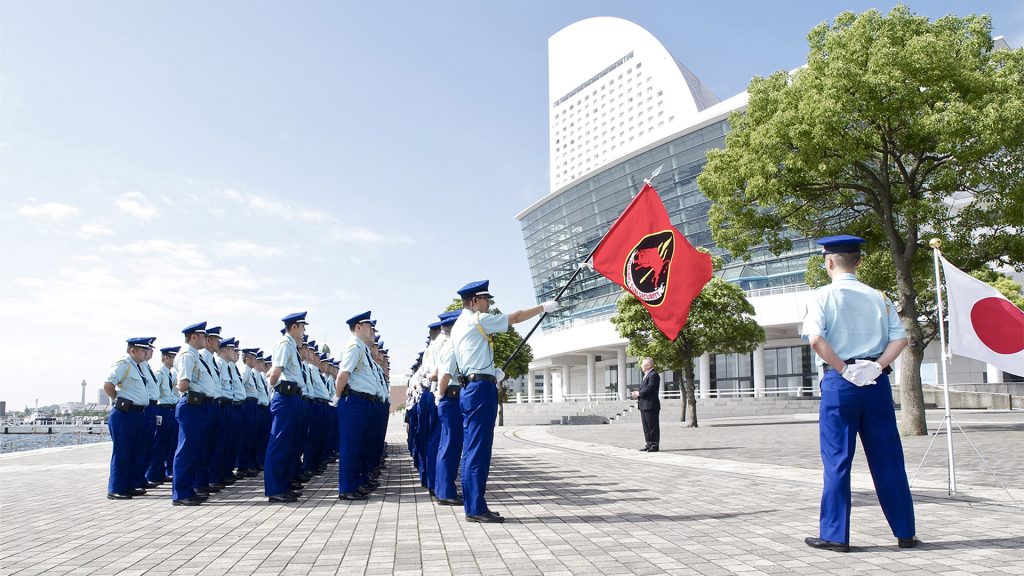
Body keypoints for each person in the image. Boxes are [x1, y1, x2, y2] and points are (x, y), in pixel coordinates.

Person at [801, 234, 917, 552]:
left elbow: (815, 339)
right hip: (876, 382)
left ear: (828, 262)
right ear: (859, 261)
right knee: (889, 459)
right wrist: (877, 367)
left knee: (837, 460)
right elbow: (901, 339)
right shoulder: (880, 297)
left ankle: (836, 535)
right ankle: (905, 532)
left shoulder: (820, 296)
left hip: (841, 383)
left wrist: (843, 369)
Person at [441, 280, 557, 523]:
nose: (488, 305)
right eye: (486, 300)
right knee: (478, 449)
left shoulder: (460, 325)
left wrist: (491, 372)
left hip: (473, 386)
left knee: (473, 448)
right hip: (480, 389)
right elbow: (515, 317)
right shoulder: (477, 320)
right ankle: (475, 508)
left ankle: (474, 505)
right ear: (474, 301)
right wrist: (542, 308)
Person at [265, 312, 309, 503]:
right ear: (294, 327)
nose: (304, 331)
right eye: (302, 327)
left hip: (293, 398)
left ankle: (284, 485)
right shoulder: (284, 344)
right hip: (285, 397)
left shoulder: (291, 346)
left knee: (289, 445)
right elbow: (275, 372)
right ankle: (275, 489)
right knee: (280, 443)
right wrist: (272, 392)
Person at [335, 311, 379, 501]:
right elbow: (343, 375)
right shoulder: (354, 346)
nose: (371, 330)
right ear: (358, 327)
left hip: (363, 402)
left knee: (360, 445)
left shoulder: (362, 348)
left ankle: (356, 483)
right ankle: (347, 488)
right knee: (351, 446)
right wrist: (337, 397)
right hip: (354, 401)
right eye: (369, 326)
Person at [103, 337, 153, 499]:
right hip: (124, 413)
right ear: (133, 350)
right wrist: (117, 400)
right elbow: (108, 385)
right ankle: (116, 488)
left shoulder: (137, 367)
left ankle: (129, 485)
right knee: (122, 452)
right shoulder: (123, 364)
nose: (146, 353)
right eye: (143, 350)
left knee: (135, 452)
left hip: (138, 413)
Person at [171, 322, 211, 506]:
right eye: (203, 336)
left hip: (199, 405)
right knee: (186, 450)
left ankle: (189, 489)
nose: (206, 339)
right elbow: (183, 384)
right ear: (194, 336)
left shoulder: (195, 355)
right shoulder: (187, 355)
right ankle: (181, 494)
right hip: (192, 405)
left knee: (194, 450)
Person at [433, 311, 463, 505]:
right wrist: (440, 393)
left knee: (447, 446)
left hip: (450, 399)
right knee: (451, 446)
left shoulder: (448, 345)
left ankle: (443, 489)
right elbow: (444, 375)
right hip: (450, 399)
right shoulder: (452, 346)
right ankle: (446, 492)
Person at [147, 346, 180, 485]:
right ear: (165, 358)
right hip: (162, 409)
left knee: (169, 443)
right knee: (159, 443)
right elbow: (154, 393)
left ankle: (164, 472)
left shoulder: (170, 373)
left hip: (171, 409)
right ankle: (153, 474)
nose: (174, 360)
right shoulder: (159, 373)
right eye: (172, 357)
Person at [631, 357, 661, 452]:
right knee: (646, 427)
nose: (641, 367)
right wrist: (637, 394)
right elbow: (645, 389)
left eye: (642, 365)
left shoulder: (654, 375)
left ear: (648, 366)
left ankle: (654, 445)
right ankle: (649, 444)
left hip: (651, 405)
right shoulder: (646, 376)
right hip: (644, 405)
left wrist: (639, 393)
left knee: (652, 426)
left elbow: (650, 388)